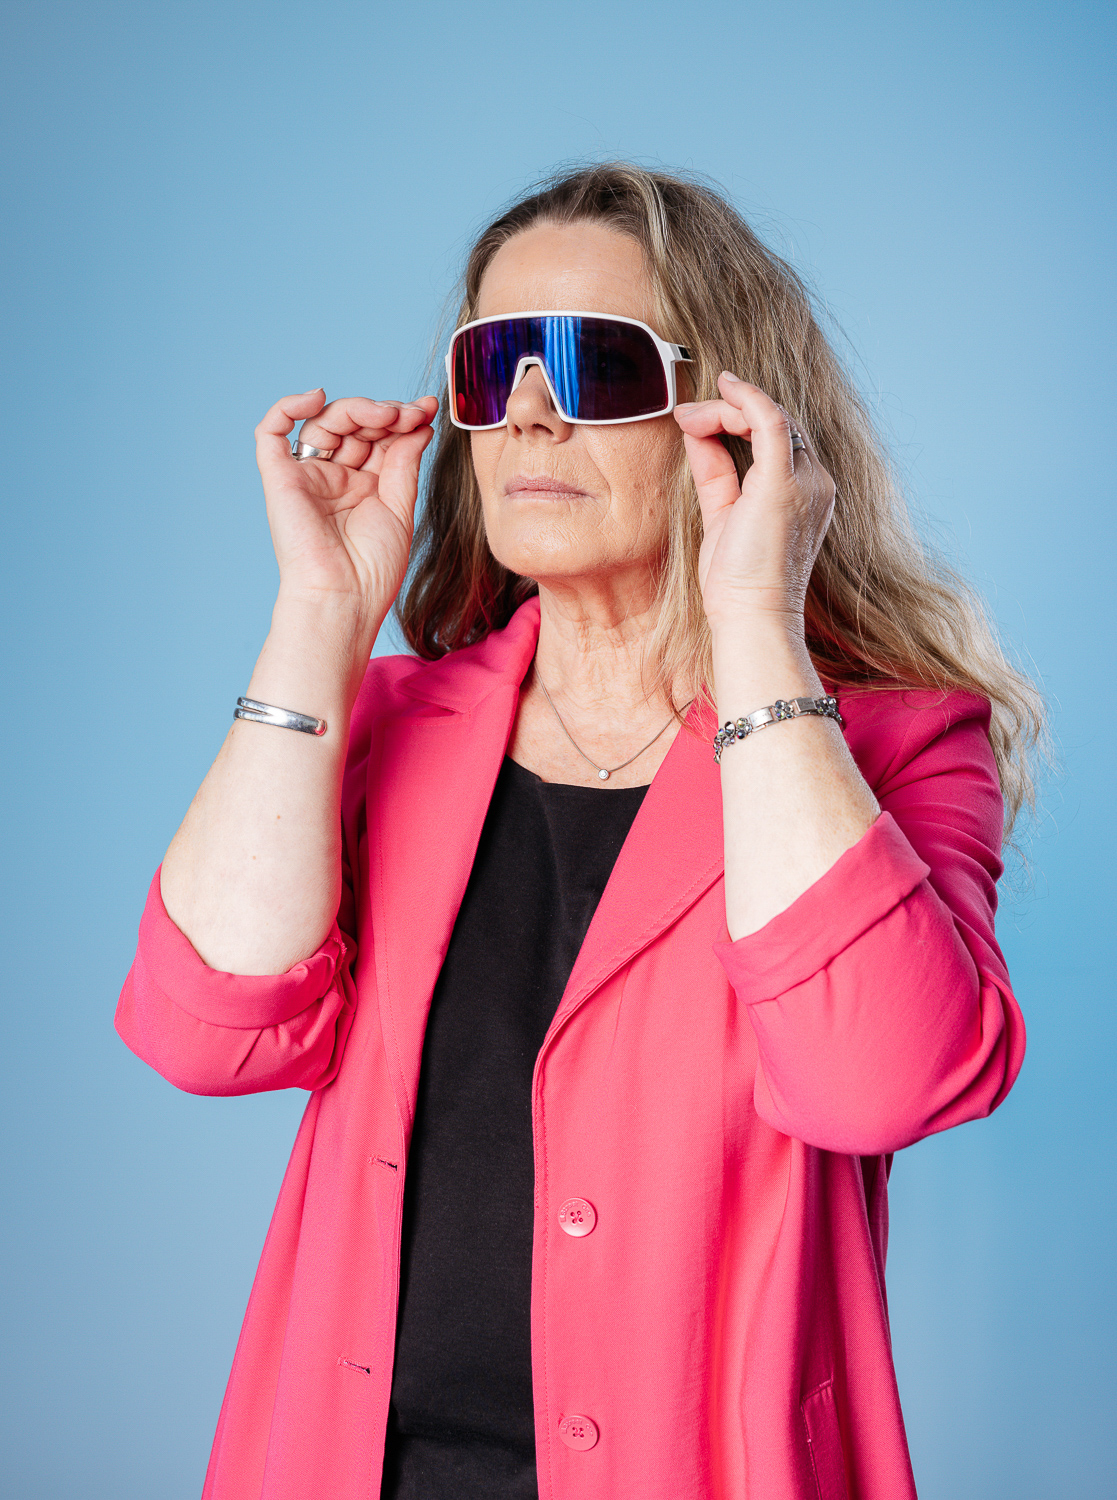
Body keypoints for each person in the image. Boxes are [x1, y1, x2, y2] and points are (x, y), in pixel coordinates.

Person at [116, 164, 1040, 1500]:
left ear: (728, 416)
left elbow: (879, 1082)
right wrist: (320, 613)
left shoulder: (890, 747)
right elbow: (204, 1031)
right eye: (494, 366)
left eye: (592, 366)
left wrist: (757, 622)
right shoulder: (388, 721)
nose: (530, 413)